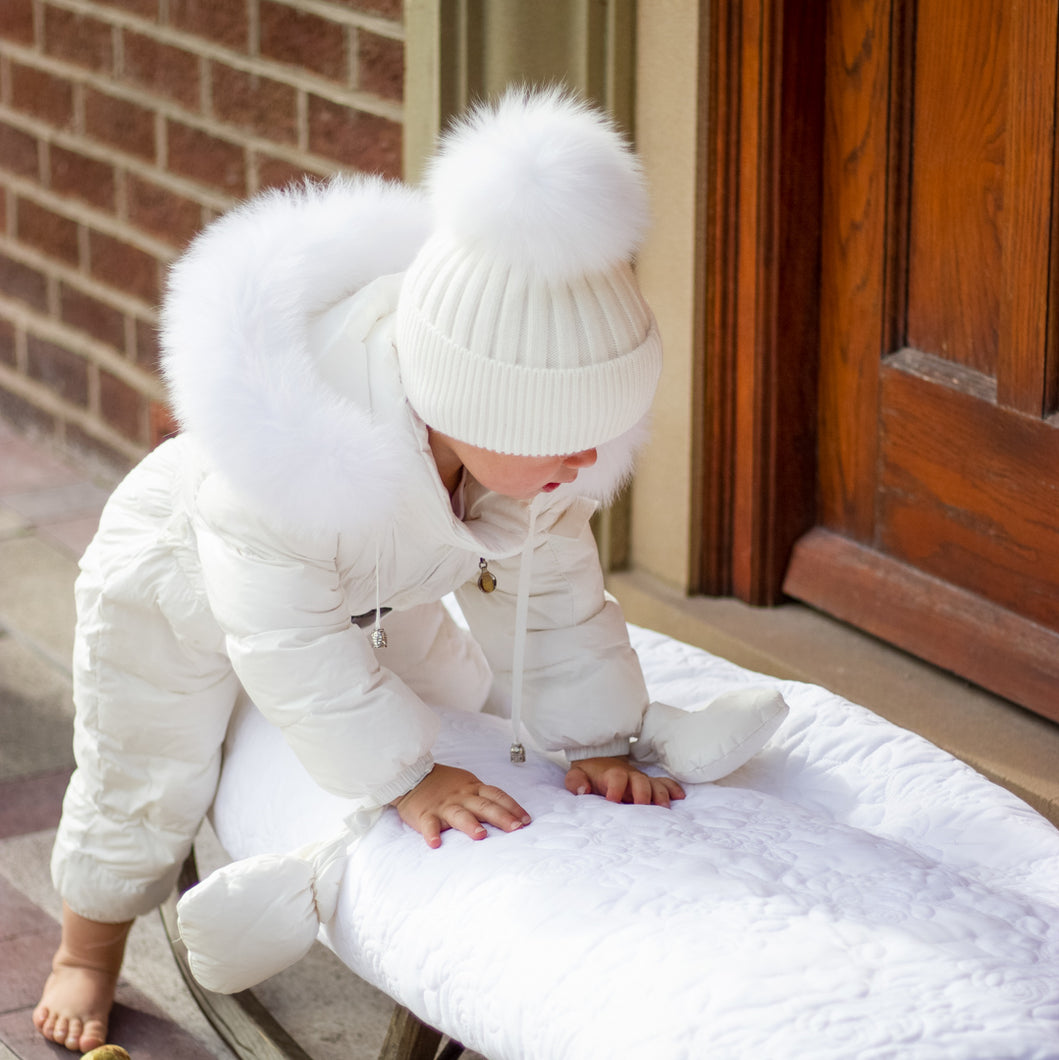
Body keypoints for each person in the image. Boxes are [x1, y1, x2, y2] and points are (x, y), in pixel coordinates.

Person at [33, 88, 787, 1052]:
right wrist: (403, 779)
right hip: (180, 583)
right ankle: (87, 947)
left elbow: (554, 595)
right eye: (560, 445)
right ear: (464, 406)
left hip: (372, 588)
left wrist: (594, 740)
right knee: (148, 760)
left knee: (461, 694)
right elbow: (287, 636)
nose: (583, 466)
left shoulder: (530, 455)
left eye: (598, 440)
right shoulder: (290, 467)